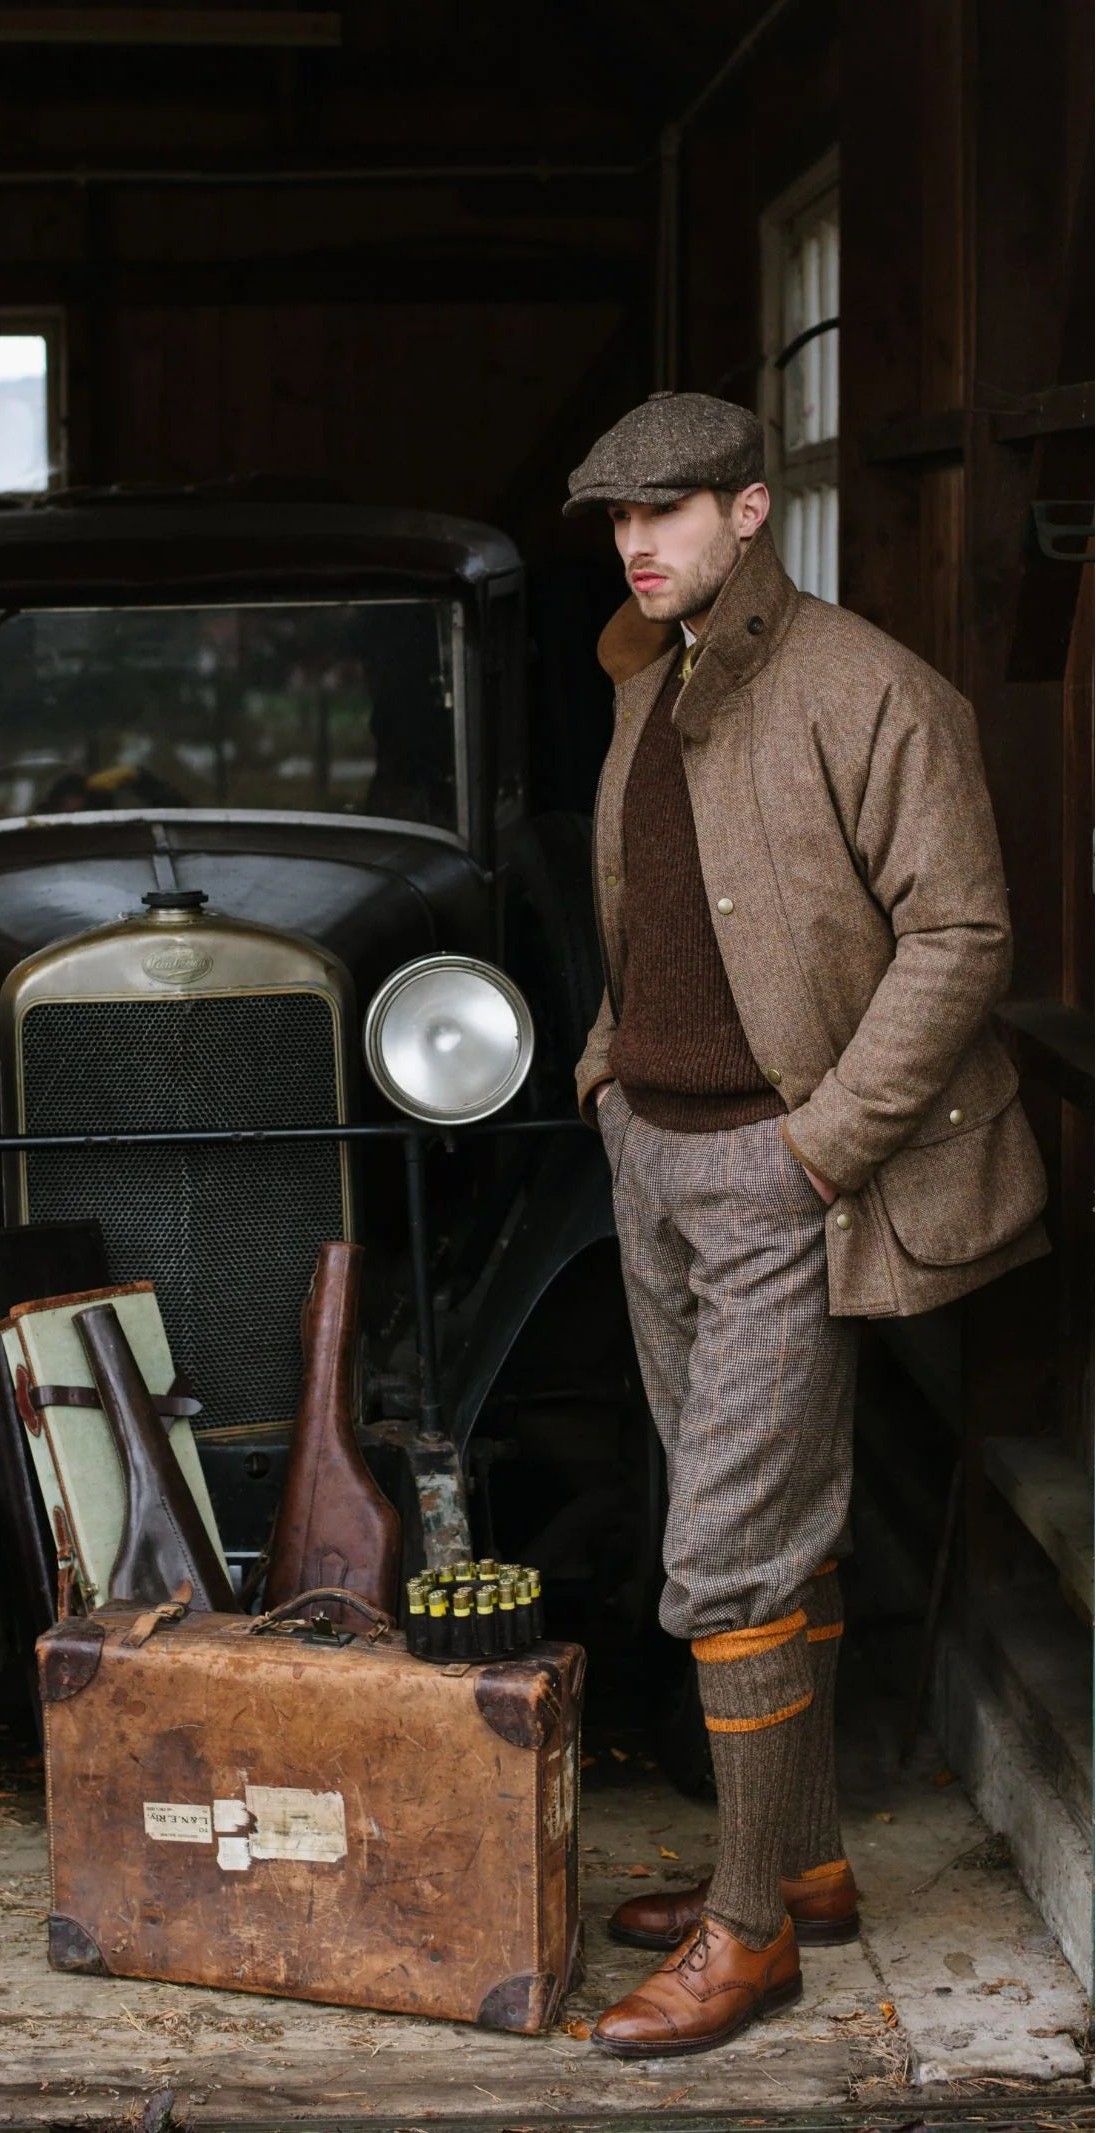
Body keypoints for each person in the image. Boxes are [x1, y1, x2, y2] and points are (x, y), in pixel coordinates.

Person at [564, 392, 1048, 2058]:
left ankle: (747, 1931)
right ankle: (813, 1858)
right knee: (757, 1526)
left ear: (753, 510)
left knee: (731, 1551)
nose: (639, 543)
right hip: (658, 1156)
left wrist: (824, 1148)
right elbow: (641, 910)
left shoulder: (869, 689)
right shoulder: (653, 672)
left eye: (674, 512)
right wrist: (604, 1073)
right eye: (619, 519)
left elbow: (965, 929)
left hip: (783, 1170)